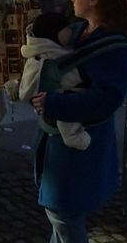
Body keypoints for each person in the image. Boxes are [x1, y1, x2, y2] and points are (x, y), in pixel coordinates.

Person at [28, 0, 127, 243]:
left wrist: (56, 102)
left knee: (63, 207)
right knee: (55, 199)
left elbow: (106, 99)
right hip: (57, 135)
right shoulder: (80, 30)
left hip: (82, 138)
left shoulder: (116, 46)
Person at [7, 13, 91, 150]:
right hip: (57, 98)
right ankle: (73, 138)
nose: (70, 31)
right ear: (55, 33)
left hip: (43, 100)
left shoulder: (38, 50)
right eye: (66, 29)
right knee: (66, 113)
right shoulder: (50, 54)